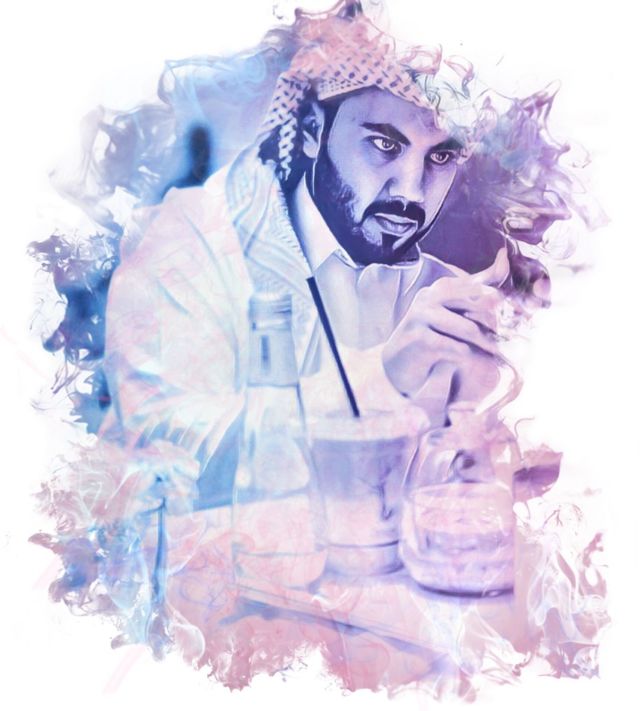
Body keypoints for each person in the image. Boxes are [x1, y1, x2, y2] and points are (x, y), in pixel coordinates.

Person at [99, 4, 509, 511]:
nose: (410, 191)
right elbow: (174, 468)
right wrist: (383, 380)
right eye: (384, 144)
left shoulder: (446, 294)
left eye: (440, 156)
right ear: (312, 130)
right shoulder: (193, 241)